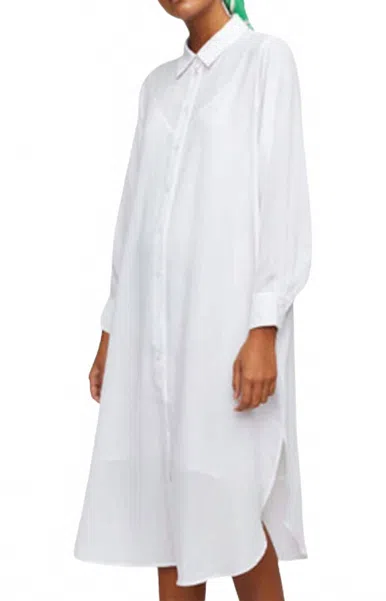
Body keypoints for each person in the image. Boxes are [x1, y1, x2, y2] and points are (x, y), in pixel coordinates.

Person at [74, 1, 312, 600]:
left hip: (224, 332)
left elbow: (281, 198)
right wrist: (111, 332)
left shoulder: (264, 62)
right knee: (170, 516)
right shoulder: (158, 88)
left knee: (234, 511)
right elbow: (133, 218)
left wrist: (264, 326)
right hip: (154, 335)